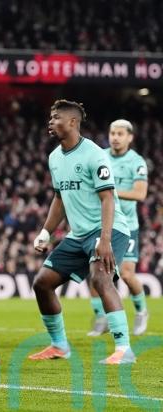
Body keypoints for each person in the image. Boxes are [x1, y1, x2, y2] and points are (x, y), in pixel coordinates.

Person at [31, 100, 134, 365]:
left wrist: (105, 240)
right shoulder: (54, 157)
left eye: (56, 117)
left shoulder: (94, 154)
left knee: (100, 278)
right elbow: (59, 198)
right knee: (42, 283)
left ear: (73, 122)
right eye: (50, 117)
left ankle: (123, 349)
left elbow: (107, 198)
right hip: (78, 235)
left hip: (109, 229)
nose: (50, 121)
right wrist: (46, 232)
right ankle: (59, 346)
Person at [88, 119, 148, 337]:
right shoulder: (99, 157)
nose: (115, 137)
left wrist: (109, 190)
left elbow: (140, 194)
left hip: (127, 226)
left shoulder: (137, 162)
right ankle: (101, 318)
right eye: (112, 133)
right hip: (102, 224)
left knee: (127, 274)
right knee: (95, 274)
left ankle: (141, 311)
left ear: (130, 137)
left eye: (120, 134)